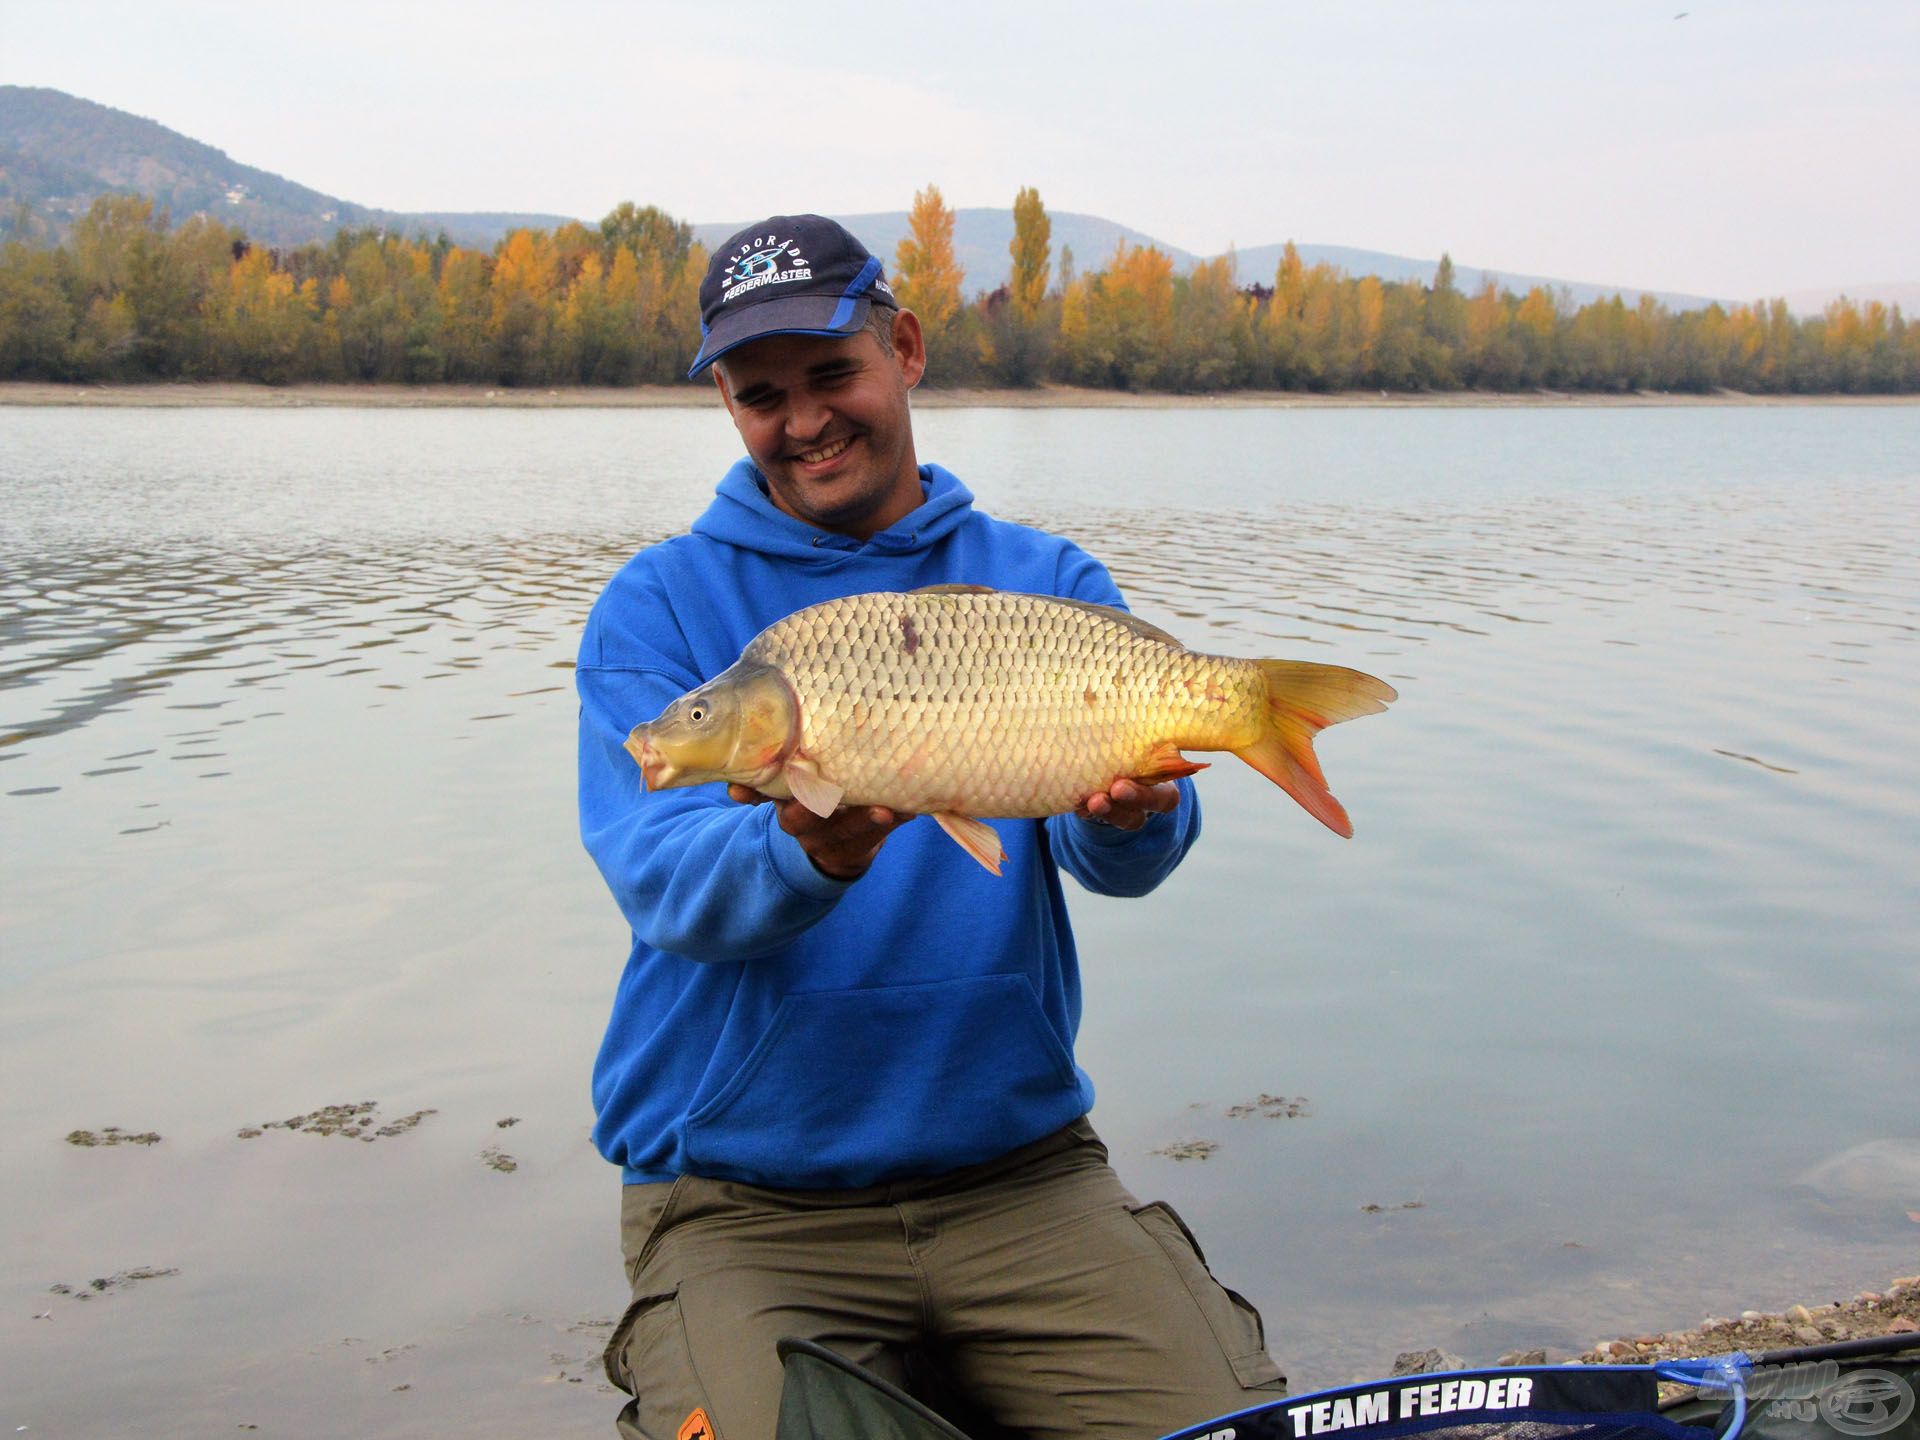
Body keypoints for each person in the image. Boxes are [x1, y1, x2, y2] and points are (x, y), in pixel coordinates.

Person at [576, 214, 1284, 1440]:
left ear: (903, 348)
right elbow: (660, 878)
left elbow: (1119, 856)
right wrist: (803, 849)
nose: (803, 422)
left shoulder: (1043, 580)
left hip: (1018, 1176)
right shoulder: (663, 608)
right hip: (747, 1200)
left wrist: (1134, 818)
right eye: (761, 396)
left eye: (833, 375)